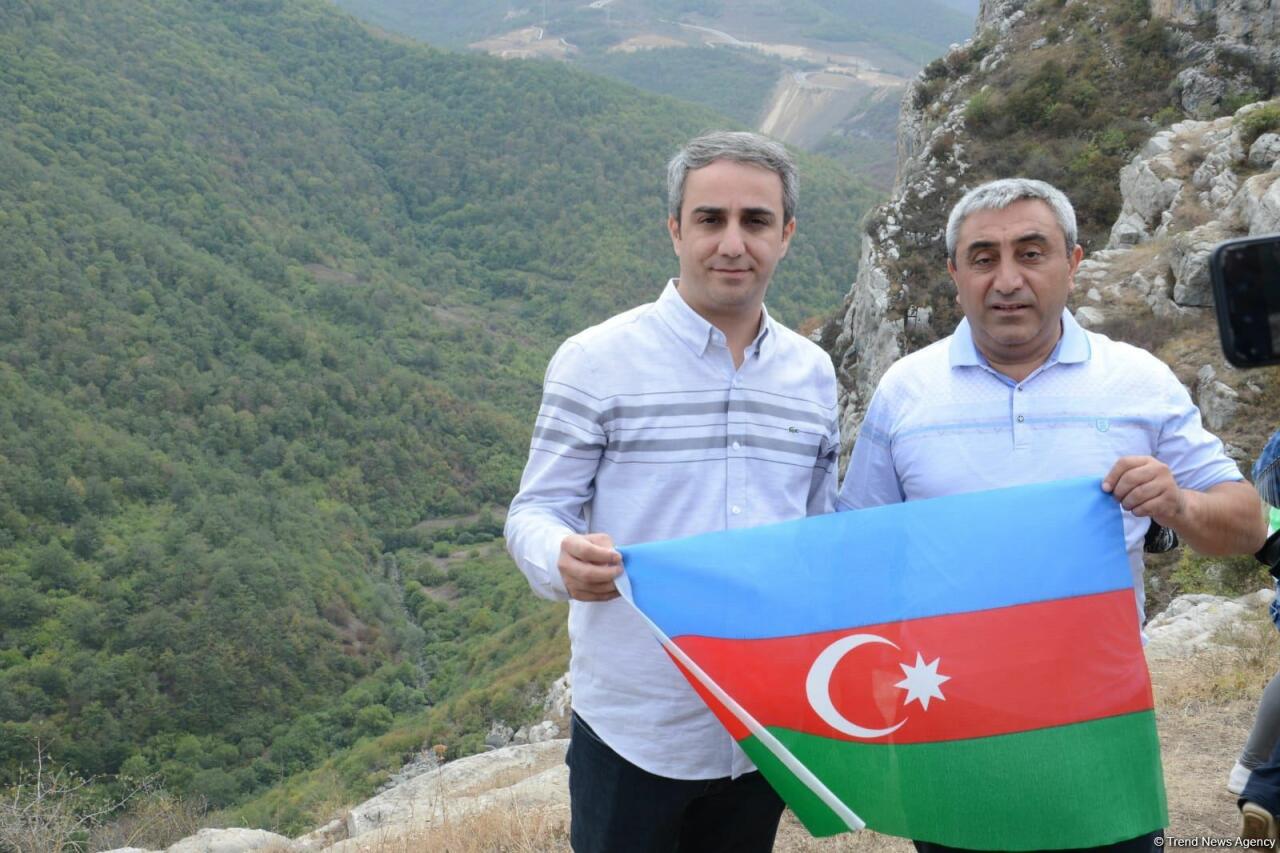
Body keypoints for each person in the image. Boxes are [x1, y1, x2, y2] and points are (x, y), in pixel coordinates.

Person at [837, 177, 1268, 853]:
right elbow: (856, 551)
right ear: (955, 275)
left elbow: (1248, 523)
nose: (1007, 279)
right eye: (983, 258)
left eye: (1031, 253)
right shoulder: (904, 391)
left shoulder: (1139, 380)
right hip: (949, 728)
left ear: (1073, 262)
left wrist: (1180, 504)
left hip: (1098, 734)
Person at [505, 131, 840, 853]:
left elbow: (817, 531)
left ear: (786, 235)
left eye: (755, 221)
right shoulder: (596, 360)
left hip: (762, 723)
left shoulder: (813, 374)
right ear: (675, 230)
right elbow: (534, 509)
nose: (732, 243)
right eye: (709, 219)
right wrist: (561, 556)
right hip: (636, 727)